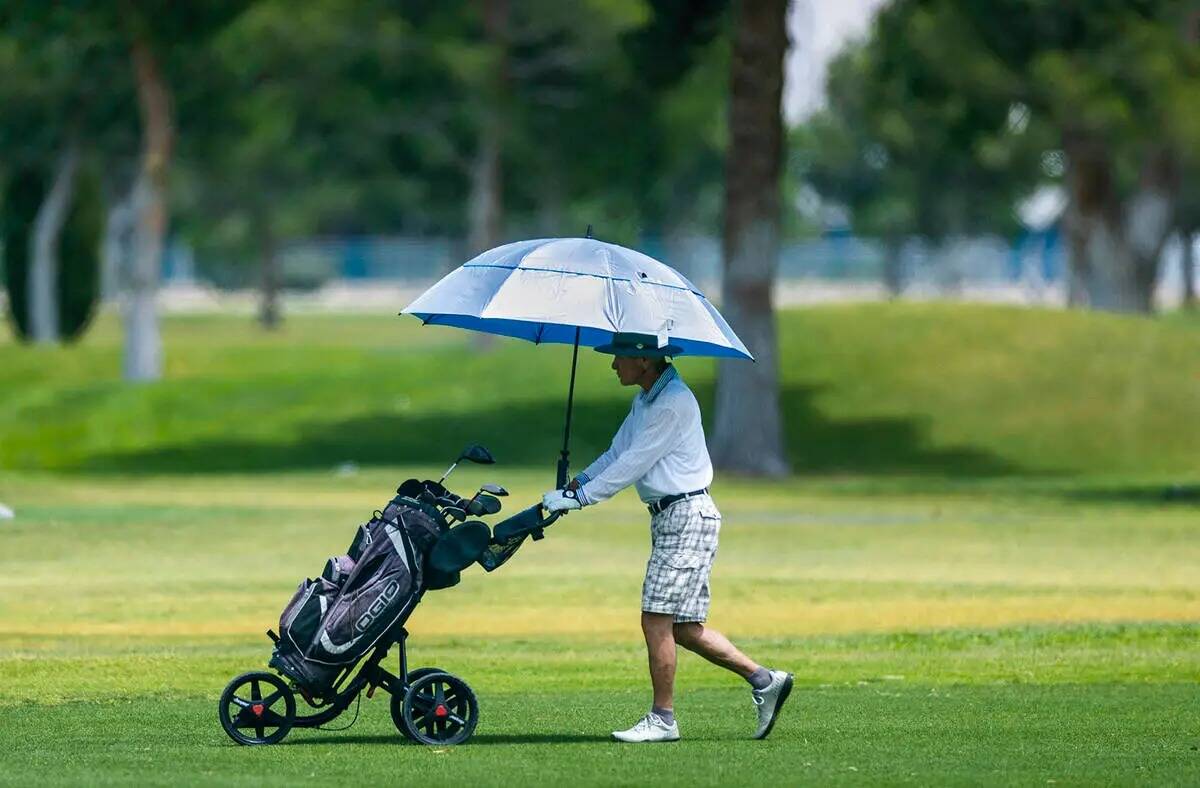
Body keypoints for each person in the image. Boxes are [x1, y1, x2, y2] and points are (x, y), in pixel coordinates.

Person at [542, 332, 793, 743]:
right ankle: (765, 680)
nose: (612, 364)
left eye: (618, 357)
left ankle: (663, 719)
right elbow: (616, 453)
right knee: (684, 627)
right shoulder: (646, 400)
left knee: (655, 618)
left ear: (643, 361)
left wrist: (582, 499)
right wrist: (576, 485)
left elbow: (633, 465)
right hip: (673, 518)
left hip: (685, 516)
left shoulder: (673, 403)